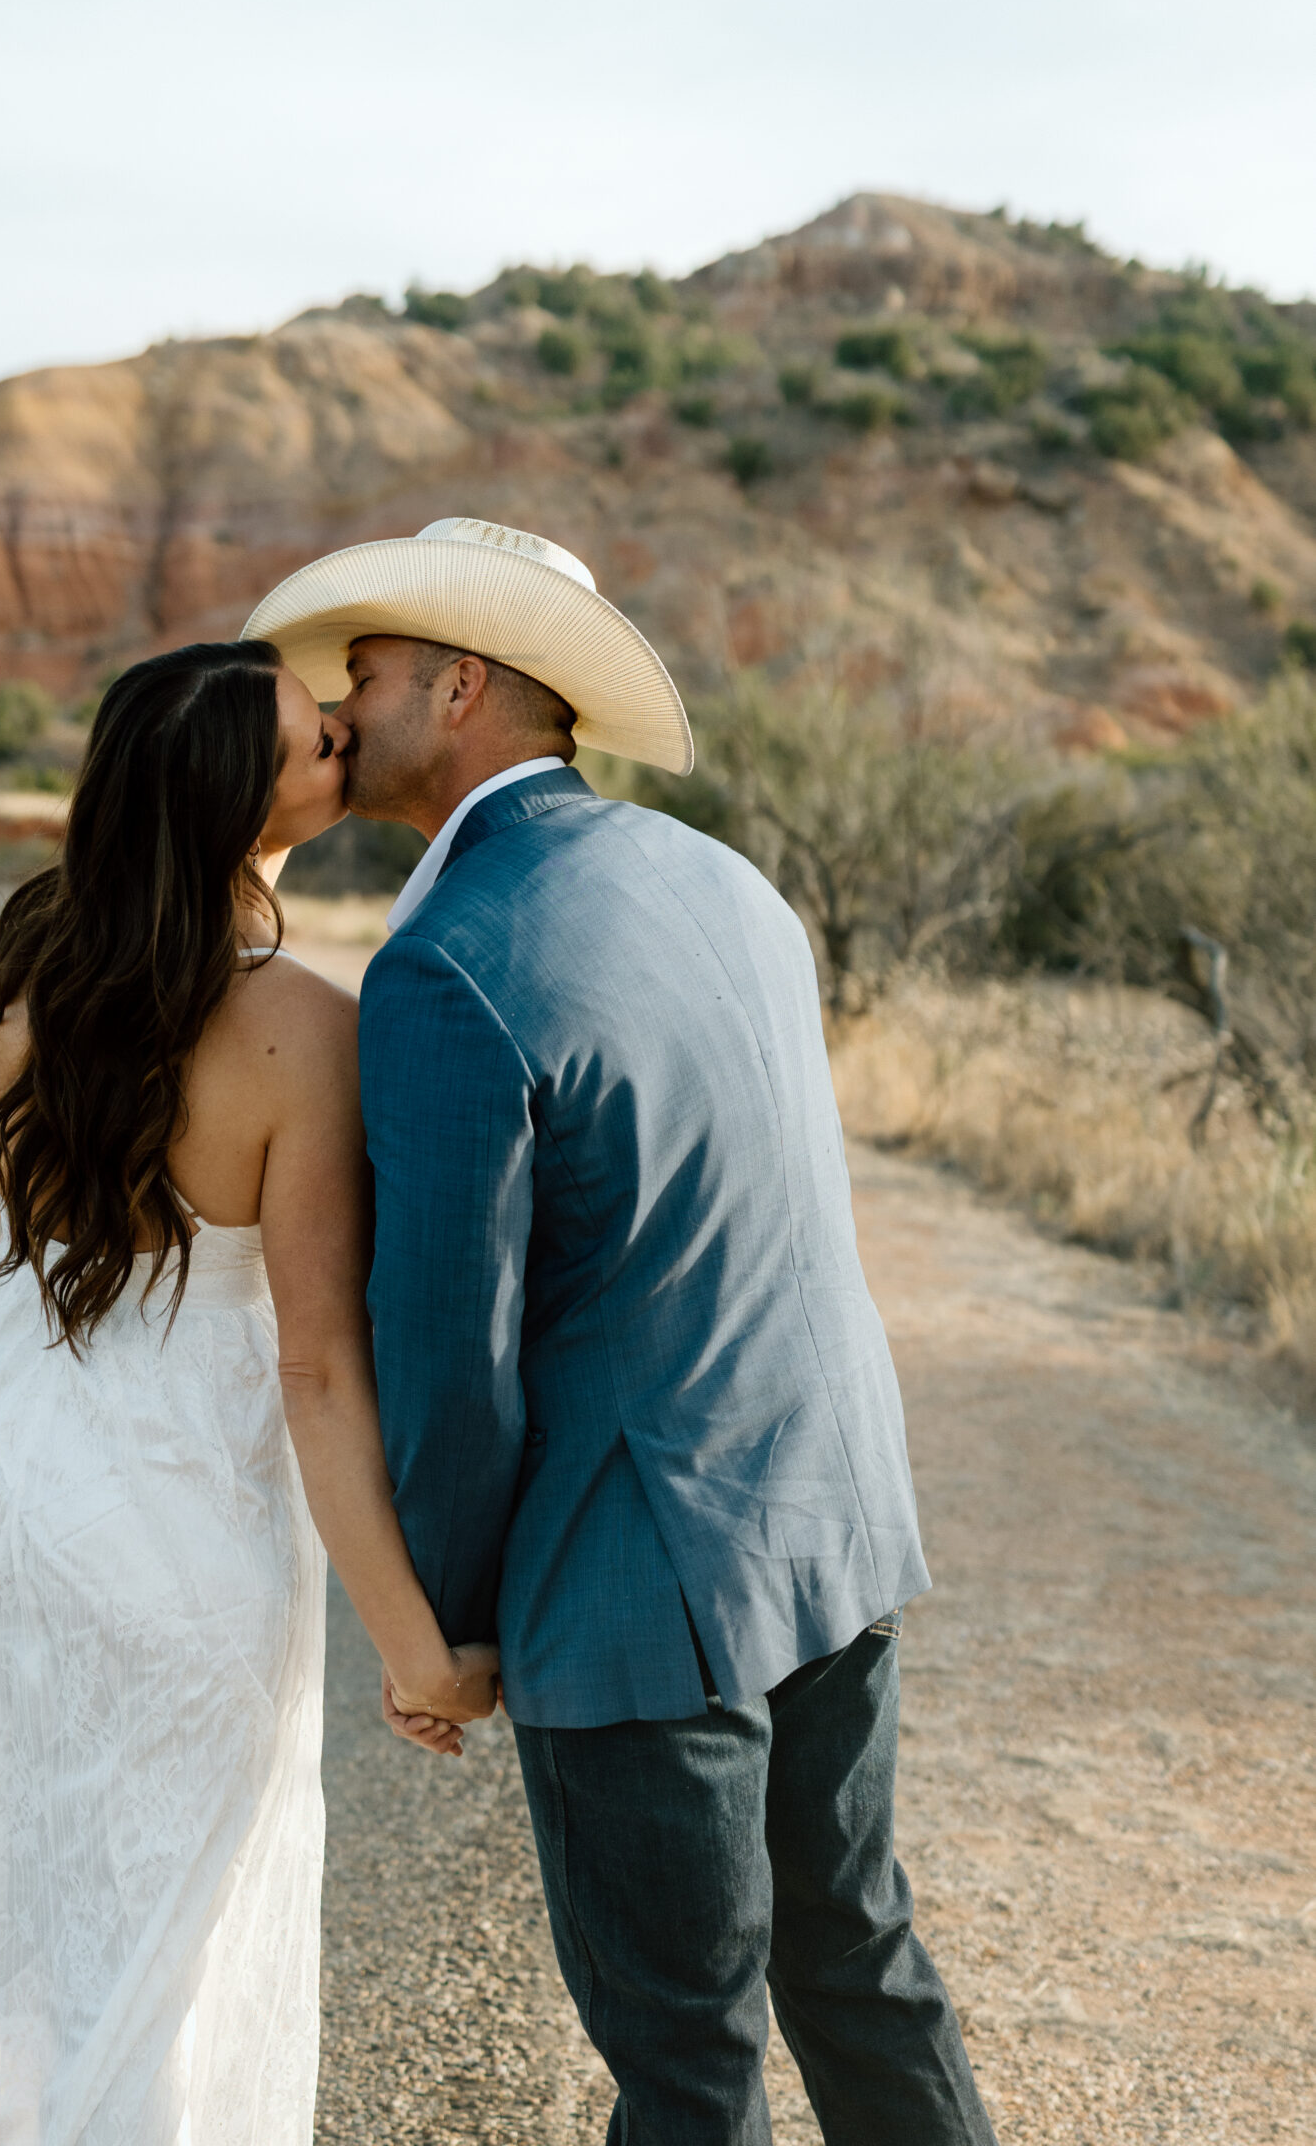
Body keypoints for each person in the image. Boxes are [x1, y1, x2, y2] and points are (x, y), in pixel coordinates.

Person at [241, 516, 999, 2145]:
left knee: (687, 2060)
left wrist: (445, 1628)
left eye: (365, 671)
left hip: (642, 1584)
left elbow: (449, 1354)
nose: (341, 705)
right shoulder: (723, 877)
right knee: (859, 1962)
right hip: (836, 1520)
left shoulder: (447, 964)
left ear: (458, 686)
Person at [0, 640, 496, 2146]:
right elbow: (317, 1366)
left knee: (11, 1965)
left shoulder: (20, 978)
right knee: (166, 1974)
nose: (342, 739)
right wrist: (416, 1649)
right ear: (231, 809)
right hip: (184, 1557)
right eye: (313, 737)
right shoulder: (306, 1031)